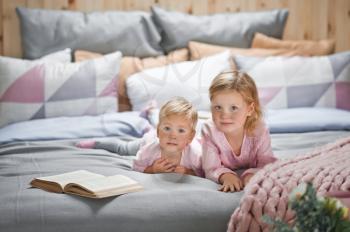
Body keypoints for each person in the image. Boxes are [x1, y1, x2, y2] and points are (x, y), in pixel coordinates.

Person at [77, 97, 203, 177]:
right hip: (149, 139)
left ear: (190, 137)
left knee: (160, 124)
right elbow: (137, 167)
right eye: (167, 129)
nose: (172, 136)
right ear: (159, 132)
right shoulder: (149, 150)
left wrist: (188, 172)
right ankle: (96, 142)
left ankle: (150, 112)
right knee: (124, 148)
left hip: (158, 132)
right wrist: (152, 169)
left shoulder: (196, 155)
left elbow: (204, 172)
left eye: (181, 130)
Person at [201, 70, 276, 192]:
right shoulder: (209, 130)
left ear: (250, 109)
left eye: (234, 108)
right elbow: (210, 168)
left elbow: (267, 163)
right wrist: (225, 176)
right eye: (218, 107)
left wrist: (251, 174)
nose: (224, 115)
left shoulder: (259, 130)